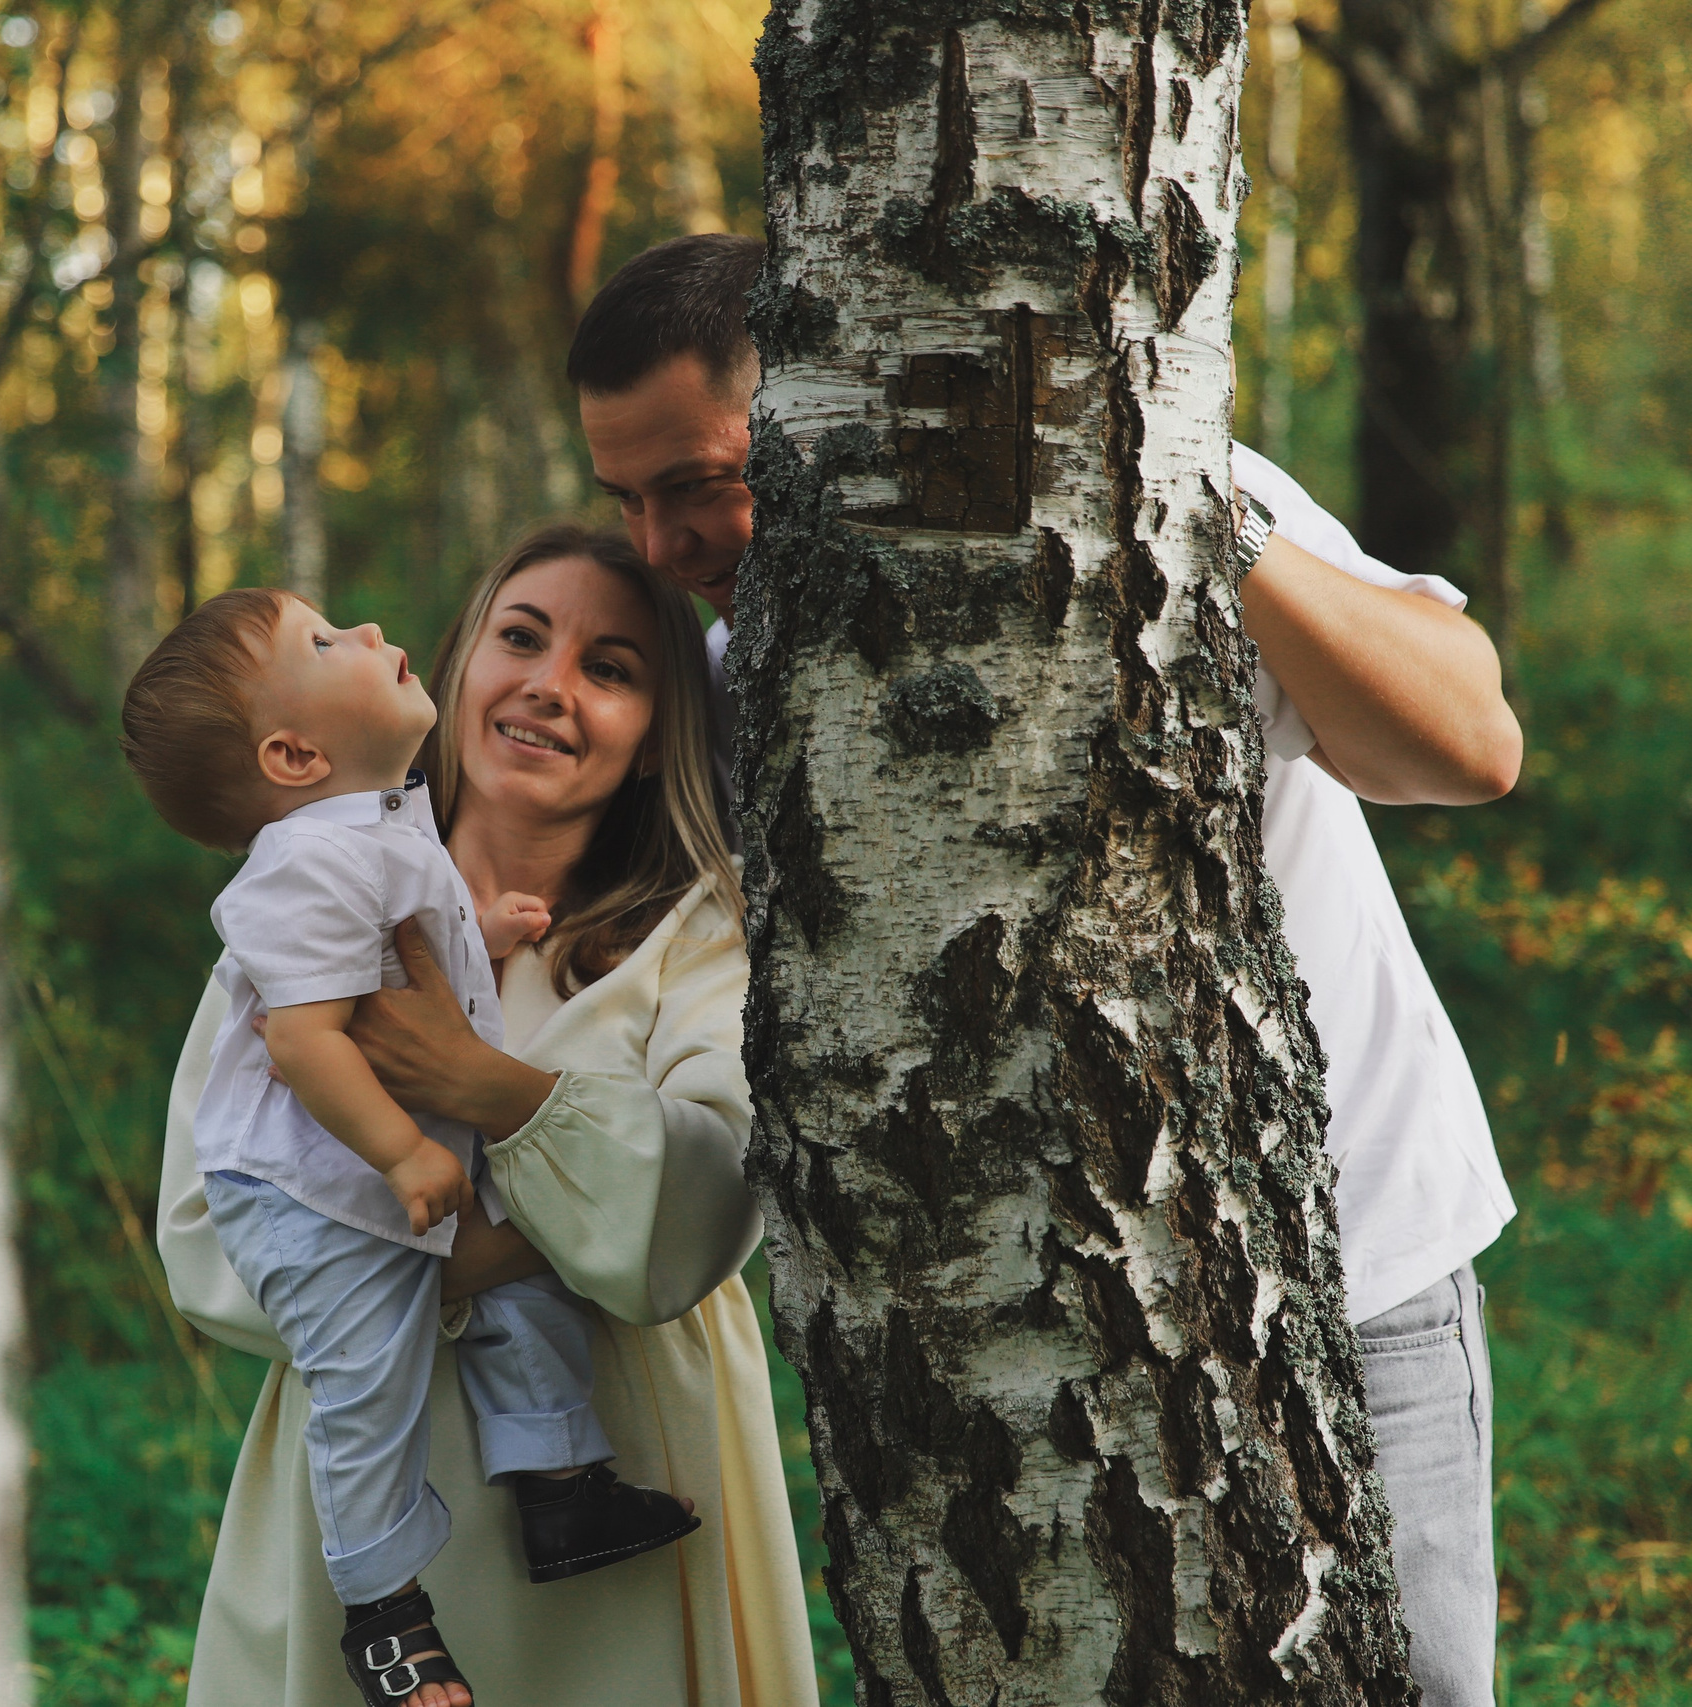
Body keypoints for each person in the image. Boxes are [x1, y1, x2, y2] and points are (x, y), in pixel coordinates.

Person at [570, 234, 1525, 1707]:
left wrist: (1185, 505)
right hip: (998, 1350)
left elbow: (1468, 745)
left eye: (696, 482)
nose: (659, 542)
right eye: (625, 499)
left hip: (1348, 1266)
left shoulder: (1155, 501)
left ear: (817, 410)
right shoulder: (731, 686)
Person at [157, 527, 821, 1707]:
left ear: (657, 733)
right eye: (521, 637)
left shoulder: (702, 935)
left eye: (609, 669)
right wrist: (526, 1238)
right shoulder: (309, 898)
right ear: (462, 664)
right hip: (368, 1469)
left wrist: (482, 1087)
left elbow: (707, 1208)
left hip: (628, 1491)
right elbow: (204, 1227)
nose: (550, 685)